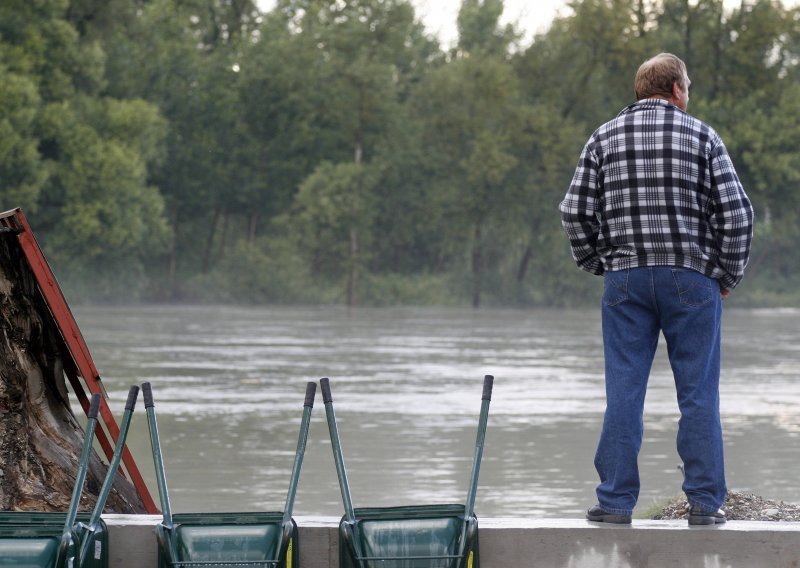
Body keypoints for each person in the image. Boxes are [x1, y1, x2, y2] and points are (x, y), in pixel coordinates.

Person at [559, 53, 754, 526]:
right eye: (687, 86)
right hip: (691, 279)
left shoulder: (603, 137)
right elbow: (738, 215)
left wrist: (597, 263)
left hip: (625, 280)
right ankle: (705, 505)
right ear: (676, 90)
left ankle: (614, 502)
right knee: (698, 395)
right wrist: (725, 275)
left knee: (624, 391)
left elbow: (574, 211)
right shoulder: (704, 136)